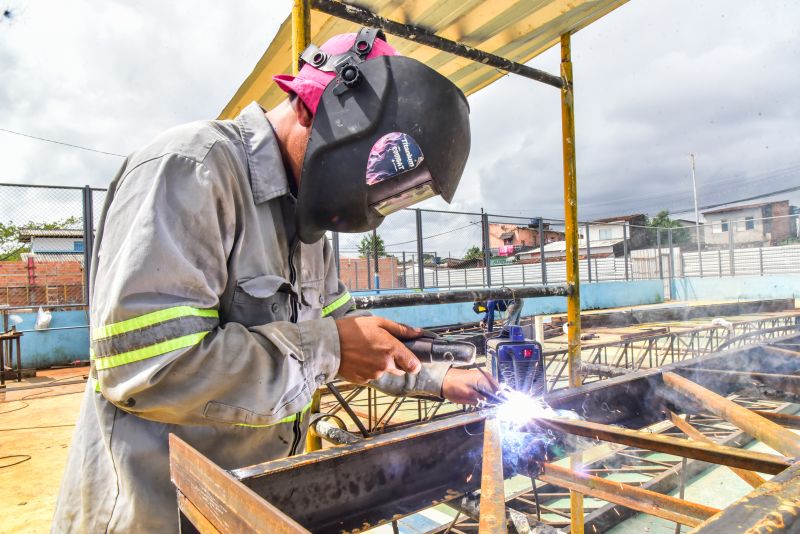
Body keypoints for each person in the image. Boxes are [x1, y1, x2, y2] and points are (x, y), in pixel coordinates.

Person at [52, 29, 496, 532]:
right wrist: (329, 348)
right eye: (374, 169)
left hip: (241, 505)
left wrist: (441, 378)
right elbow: (146, 366)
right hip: (155, 512)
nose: (373, 195)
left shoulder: (308, 225)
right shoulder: (192, 169)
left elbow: (349, 339)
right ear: (313, 109)